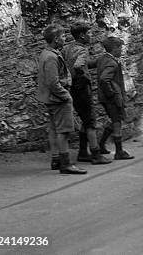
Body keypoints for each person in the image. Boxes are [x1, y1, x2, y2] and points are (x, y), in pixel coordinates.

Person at [36, 23, 87, 174]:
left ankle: (56, 159)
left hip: (51, 98)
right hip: (58, 98)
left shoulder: (47, 53)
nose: (65, 38)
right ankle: (66, 164)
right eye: (63, 36)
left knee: (53, 129)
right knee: (63, 131)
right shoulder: (51, 57)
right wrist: (66, 96)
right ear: (56, 39)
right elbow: (53, 82)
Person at [62, 21, 112, 165]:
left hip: (72, 88)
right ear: (82, 35)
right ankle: (96, 154)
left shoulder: (67, 48)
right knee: (90, 121)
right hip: (82, 88)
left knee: (84, 119)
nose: (91, 36)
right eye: (89, 33)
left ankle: (83, 152)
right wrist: (81, 75)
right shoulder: (82, 50)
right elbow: (78, 65)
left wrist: (97, 61)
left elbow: (75, 63)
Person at [97, 36, 134, 160]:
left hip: (104, 97)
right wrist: (111, 94)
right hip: (112, 98)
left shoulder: (102, 58)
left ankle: (101, 145)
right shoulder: (113, 63)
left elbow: (92, 64)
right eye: (120, 48)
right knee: (117, 121)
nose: (121, 51)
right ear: (115, 48)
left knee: (112, 120)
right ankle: (119, 152)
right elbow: (104, 79)